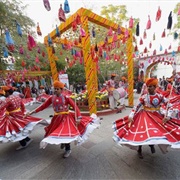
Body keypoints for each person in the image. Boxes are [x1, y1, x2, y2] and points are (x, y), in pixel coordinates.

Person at [28, 80, 100, 158]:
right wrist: (32, 112)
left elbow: (75, 107)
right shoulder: (51, 98)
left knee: (65, 132)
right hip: (56, 119)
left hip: (66, 118)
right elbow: (43, 106)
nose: (55, 90)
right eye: (55, 88)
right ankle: (63, 142)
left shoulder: (66, 98)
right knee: (57, 132)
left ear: (61, 90)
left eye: (57, 89)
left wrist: (79, 117)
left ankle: (68, 149)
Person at [113, 78, 180, 159]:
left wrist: (168, 116)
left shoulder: (160, 96)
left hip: (157, 116)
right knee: (142, 133)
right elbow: (136, 107)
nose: (149, 88)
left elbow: (170, 106)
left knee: (155, 132)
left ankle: (151, 144)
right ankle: (139, 149)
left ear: (155, 87)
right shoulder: (144, 97)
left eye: (151, 86)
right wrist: (131, 115)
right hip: (145, 116)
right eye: (148, 86)